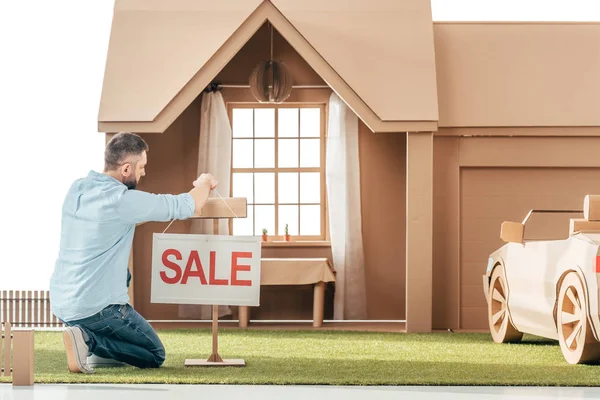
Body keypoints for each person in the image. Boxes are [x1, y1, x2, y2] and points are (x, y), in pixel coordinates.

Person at [49, 132, 218, 374]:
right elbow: (187, 205)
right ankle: (89, 340)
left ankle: (90, 346)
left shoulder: (78, 188)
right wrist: (204, 182)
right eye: (142, 167)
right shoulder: (122, 200)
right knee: (154, 354)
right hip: (95, 309)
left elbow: (107, 222)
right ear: (127, 168)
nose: (144, 173)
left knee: (122, 273)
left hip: (62, 304)